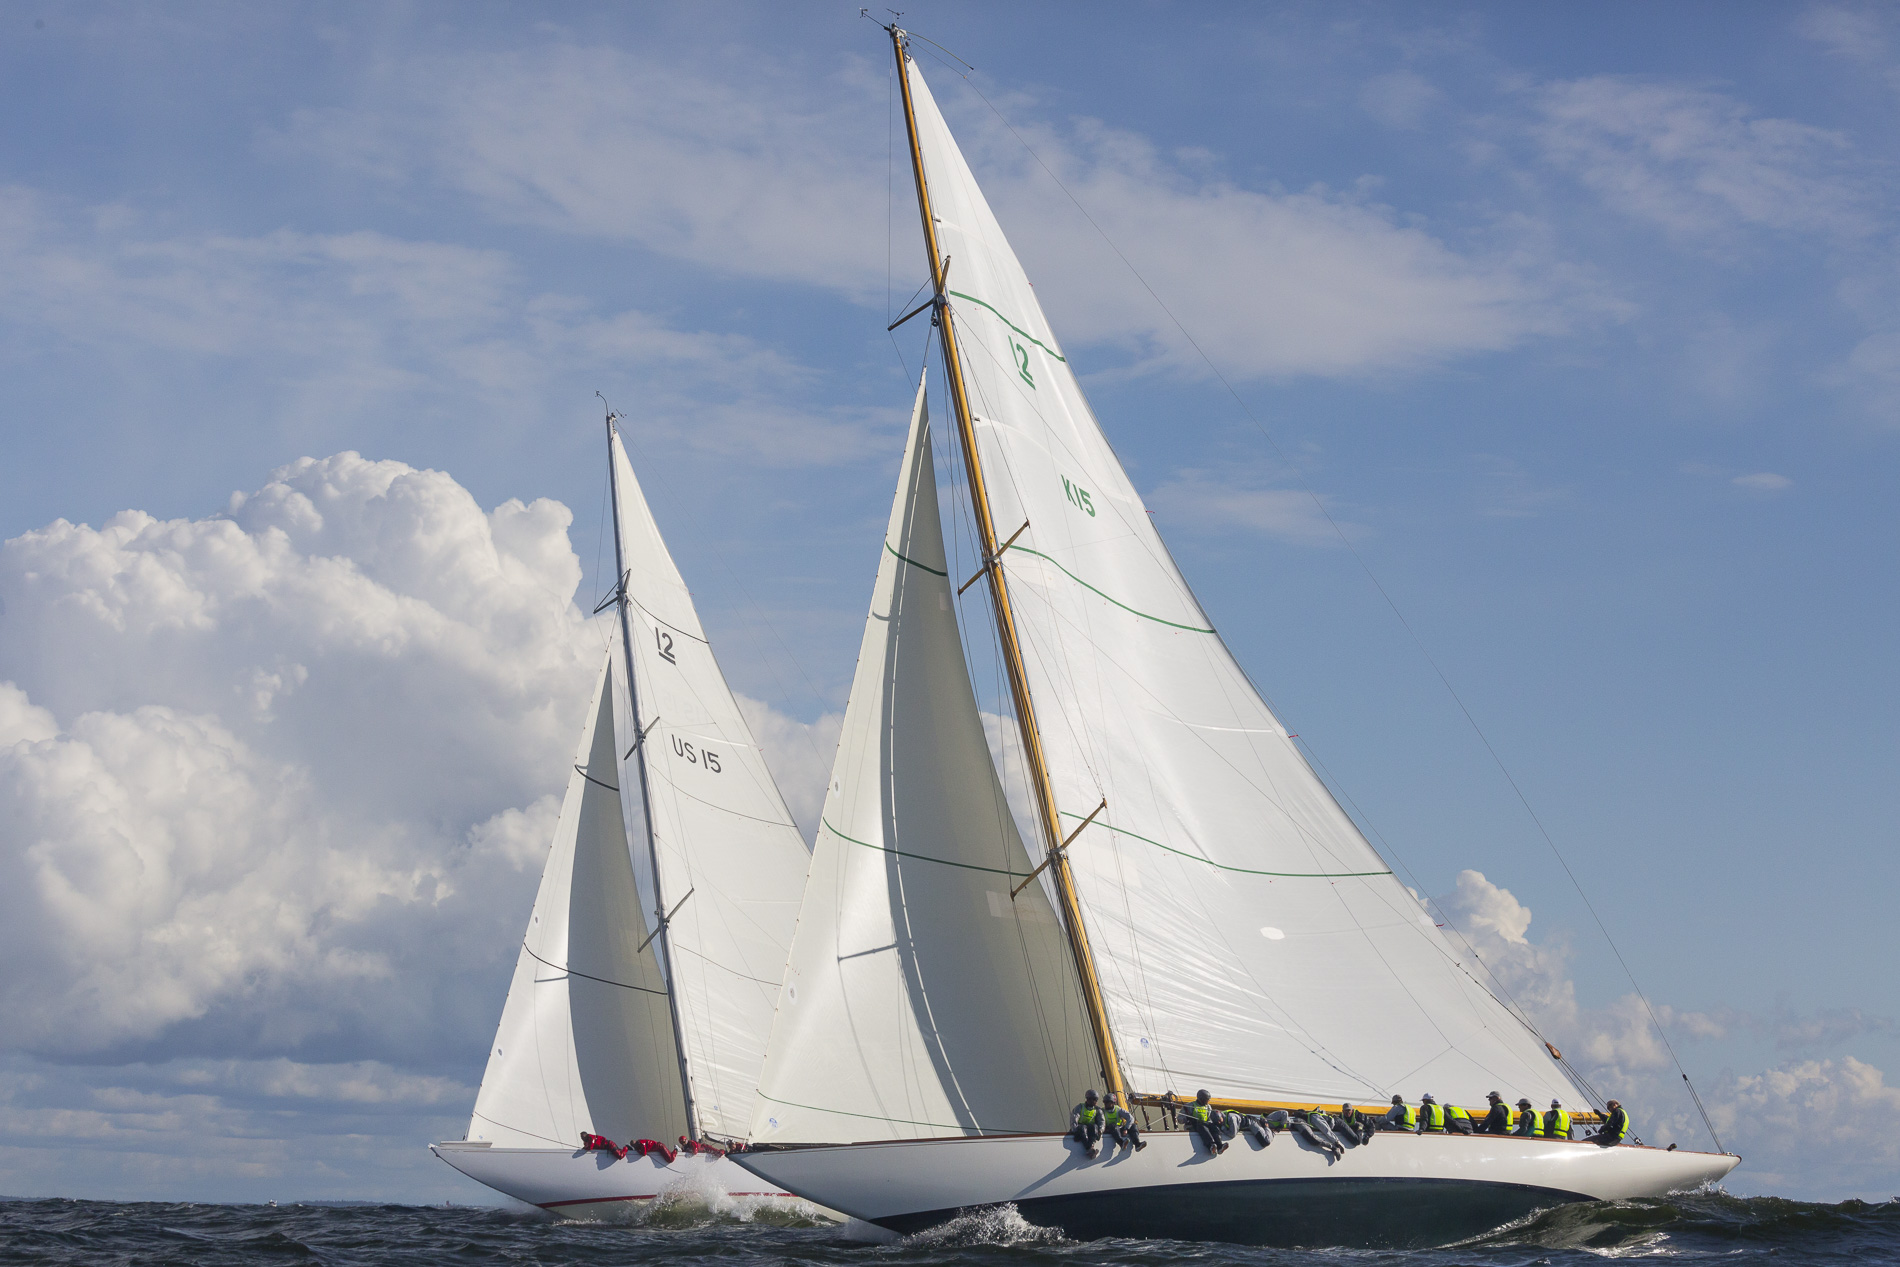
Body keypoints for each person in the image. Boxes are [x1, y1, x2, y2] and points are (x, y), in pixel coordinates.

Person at [1176, 1090, 1226, 1155]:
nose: (1208, 1101)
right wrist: (1187, 1119)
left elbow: (1209, 1119)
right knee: (1203, 1127)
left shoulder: (1208, 1107)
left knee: (1214, 1127)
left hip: (1204, 1124)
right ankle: (1211, 1145)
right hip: (1192, 1126)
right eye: (1206, 1100)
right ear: (1201, 1099)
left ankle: (1220, 1146)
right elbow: (1179, 1119)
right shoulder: (1189, 1106)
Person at [1071, 1089, 1104, 1158]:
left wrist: (1100, 1130)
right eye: (1090, 1099)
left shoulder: (1097, 1110)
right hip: (1080, 1127)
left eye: (1095, 1099)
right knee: (1083, 1128)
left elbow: (1101, 1121)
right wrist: (1075, 1130)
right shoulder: (1080, 1107)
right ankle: (1089, 1148)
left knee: (1095, 1127)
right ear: (1087, 1099)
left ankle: (1091, 1146)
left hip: (1091, 1128)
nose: (1093, 1101)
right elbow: (1074, 1118)